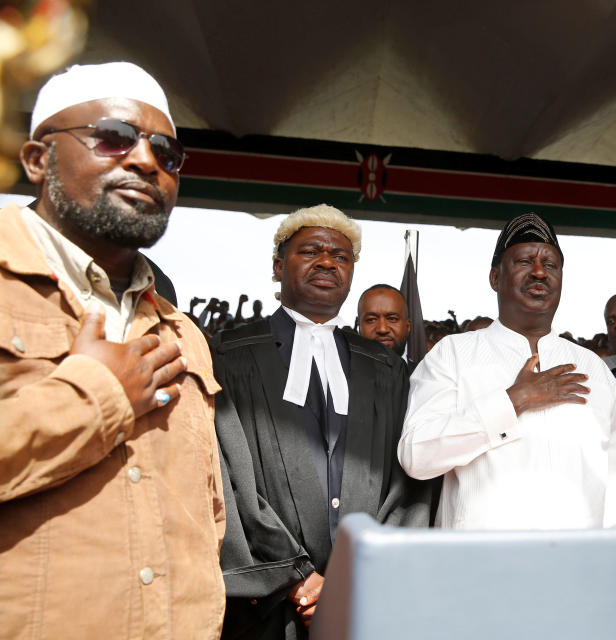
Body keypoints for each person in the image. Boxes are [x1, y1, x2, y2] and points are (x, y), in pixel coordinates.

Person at [0, 62, 225, 637]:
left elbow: (206, 520)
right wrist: (95, 397)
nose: (146, 161)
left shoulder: (181, 333)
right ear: (37, 160)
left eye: (167, 153)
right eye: (113, 138)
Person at [213, 205, 432, 639]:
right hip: (269, 602)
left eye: (341, 256)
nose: (328, 262)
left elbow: (410, 480)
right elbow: (225, 476)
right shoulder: (231, 355)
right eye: (310, 251)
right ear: (278, 266)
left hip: (364, 598)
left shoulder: (385, 368)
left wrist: (360, 575)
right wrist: (297, 577)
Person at [399, 213, 616, 530]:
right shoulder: (453, 354)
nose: (539, 272)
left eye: (550, 265)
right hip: (479, 568)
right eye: (524, 262)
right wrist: (513, 401)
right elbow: (417, 456)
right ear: (495, 278)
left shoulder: (594, 370)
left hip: (578, 569)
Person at [356, 283, 411, 358]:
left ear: (407, 326)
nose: (382, 329)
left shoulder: (423, 369)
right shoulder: (341, 368)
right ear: (359, 326)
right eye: (371, 320)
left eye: (392, 319)